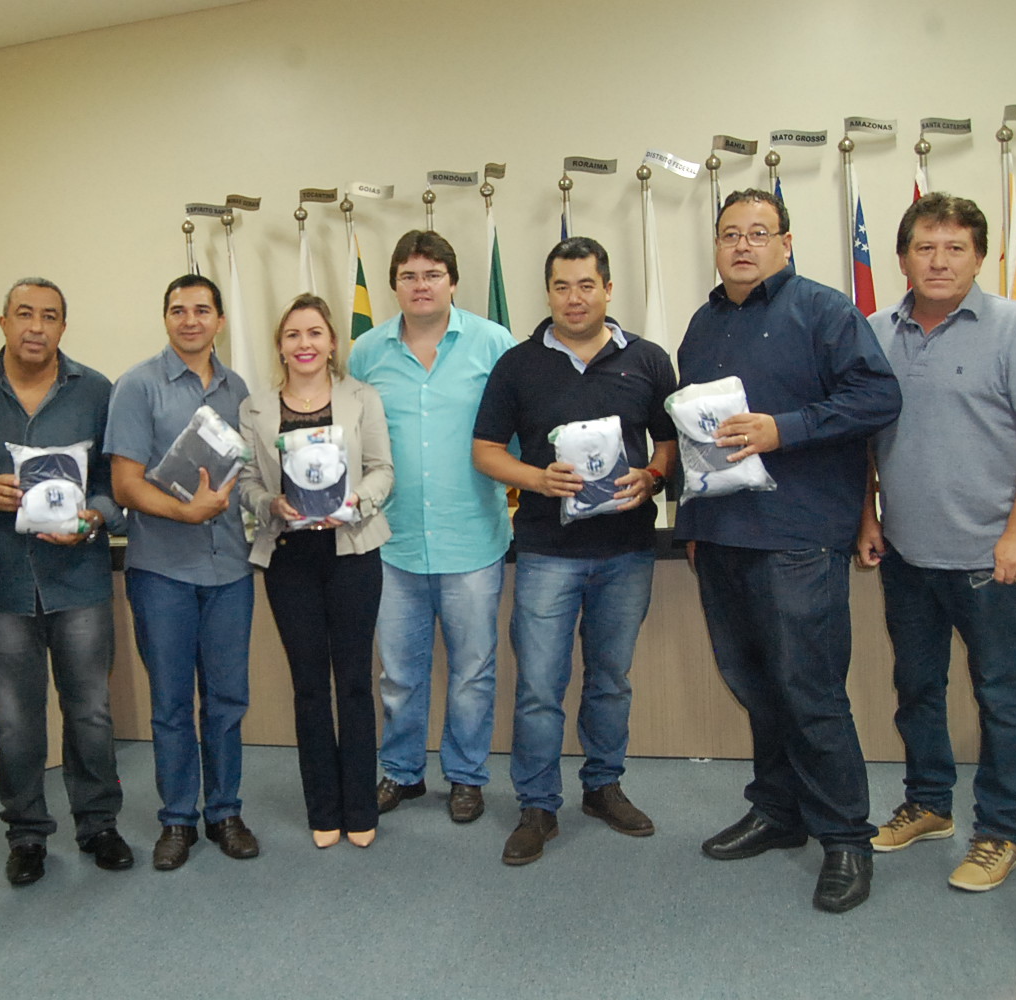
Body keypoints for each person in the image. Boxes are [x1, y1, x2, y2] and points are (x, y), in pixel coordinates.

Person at [678, 189, 901, 914]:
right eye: (730, 234)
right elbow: (695, 433)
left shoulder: (825, 311)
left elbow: (878, 398)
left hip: (798, 537)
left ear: (786, 242)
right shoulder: (703, 323)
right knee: (756, 685)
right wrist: (691, 523)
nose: (742, 245)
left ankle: (845, 839)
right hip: (722, 535)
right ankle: (778, 811)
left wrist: (786, 429)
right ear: (717, 246)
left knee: (809, 691)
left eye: (758, 233)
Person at [856, 193, 1016, 892]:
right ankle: (930, 803)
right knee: (917, 688)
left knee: (1001, 698)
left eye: (954, 248)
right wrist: (868, 516)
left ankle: (999, 833)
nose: (939, 261)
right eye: (925, 247)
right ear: (903, 258)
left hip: (992, 560)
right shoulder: (876, 331)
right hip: (907, 553)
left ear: (980, 257)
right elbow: (862, 433)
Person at [472, 237, 676, 865]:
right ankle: (537, 805)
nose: (574, 298)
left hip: (626, 552)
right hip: (546, 553)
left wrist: (652, 477)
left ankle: (603, 786)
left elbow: (670, 443)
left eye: (586, 285)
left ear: (608, 289)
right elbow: (485, 451)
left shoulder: (648, 359)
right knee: (539, 686)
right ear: (548, 294)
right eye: (561, 287)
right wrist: (536, 479)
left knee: (610, 680)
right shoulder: (517, 364)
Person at [0, 278, 132, 886]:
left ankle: (98, 824)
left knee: (91, 712)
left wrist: (94, 516)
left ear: (63, 327)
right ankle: (26, 834)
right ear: (3, 322)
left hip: (80, 581)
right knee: (15, 721)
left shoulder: (96, 390)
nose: (36, 327)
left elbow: (115, 482)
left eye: (49, 316)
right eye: (24, 314)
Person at [348, 229, 515, 824]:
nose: (421, 285)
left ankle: (466, 776)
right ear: (394, 284)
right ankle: (401, 772)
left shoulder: (494, 343)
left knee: (472, 671)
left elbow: (516, 432)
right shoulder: (366, 352)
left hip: (473, 537)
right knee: (398, 673)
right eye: (409, 275)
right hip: (391, 541)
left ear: (453, 282)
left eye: (432, 274)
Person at [104, 274, 260, 871]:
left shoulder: (237, 388)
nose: (189, 320)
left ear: (219, 320)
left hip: (229, 571)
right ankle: (177, 820)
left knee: (227, 700)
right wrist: (186, 512)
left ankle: (224, 812)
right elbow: (125, 485)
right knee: (171, 703)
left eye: (201, 310)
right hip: (162, 571)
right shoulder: (137, 386)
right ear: (165, 318)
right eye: (177, 310)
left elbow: (244, 475)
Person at [240, 294, 393, 848]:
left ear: (331, 343)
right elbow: (246, 481)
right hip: (289, 558)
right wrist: (270, 504)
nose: (304, 344)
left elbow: (382, 470)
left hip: (352, 552)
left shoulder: (362, 398)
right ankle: (323, 809)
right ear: (280, 346)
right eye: (293, 335)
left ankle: (361, 808)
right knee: (308, 685)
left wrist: (355, 503)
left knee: (353, 682)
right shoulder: (255, 409)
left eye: (314, 333)